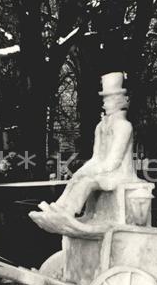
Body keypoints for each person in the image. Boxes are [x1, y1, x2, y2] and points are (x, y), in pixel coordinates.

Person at [45, 72, 139, 216]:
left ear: (118, 101)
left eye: (107, 100)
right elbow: (96, 157)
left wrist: (90, 171)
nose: (103, 103)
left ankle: (68, 211)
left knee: (86, 182)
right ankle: (60, 207)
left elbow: (113, 162)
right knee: (78, 176)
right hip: (106, 171)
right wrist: (82, 170)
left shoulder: (124, 126)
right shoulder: (100, 127)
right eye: (104, 99)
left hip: (120, 174)